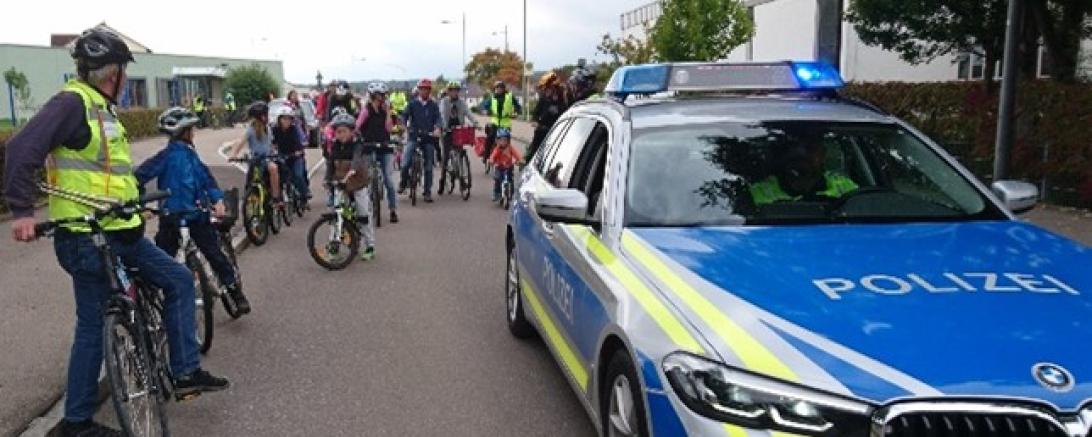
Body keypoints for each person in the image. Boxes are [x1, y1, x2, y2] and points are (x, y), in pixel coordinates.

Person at [4, 28, 229, 437]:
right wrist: (21, 211)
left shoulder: (102, 109)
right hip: (86, 237)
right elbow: (22, 149)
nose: (125, 79)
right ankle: (75, 422)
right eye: (124, 71)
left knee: (179, 280)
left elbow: (109, 175)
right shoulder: (72, 103)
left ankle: (184, 372)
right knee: (94, 323)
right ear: (115, 73)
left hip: (122, 232)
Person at [136, 107, 253, 314]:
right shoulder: (180, 157)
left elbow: (139, 176)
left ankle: (151, 303)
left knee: (160, 260)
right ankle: (236, 292)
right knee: (215, 255)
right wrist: (217, 200)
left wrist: (138, 201)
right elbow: (207, 180)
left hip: (172, 217)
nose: (194, 134)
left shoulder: (173, 156)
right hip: (194, 215)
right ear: (185, 133)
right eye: (191, 130)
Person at [749, 139, 858, 205]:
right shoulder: (758, 192)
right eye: (794, 148)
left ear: (822, 154)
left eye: (810, 148)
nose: (802, 154)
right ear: (783, 155)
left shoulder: (846, 188)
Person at [328, 113, 377, 260]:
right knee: (335, 214)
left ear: (351, 131)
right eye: (338, 132)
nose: (341, 135)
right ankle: (334, 245)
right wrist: (327, 180)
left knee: (363, 214)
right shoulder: (335, 146)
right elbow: (330, 164)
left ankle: (370, 245)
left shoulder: (357, 145)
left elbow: (356, 160)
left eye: (344, 131)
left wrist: (352, 170)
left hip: (357, 183)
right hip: (341, 183)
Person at [356, 81, 399, 223]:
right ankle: (368, 205)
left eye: (382, 96)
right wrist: (356, 137)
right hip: (369, 146)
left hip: (385, 146)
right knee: (368, 178)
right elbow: (357, 126)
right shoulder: (366, 110)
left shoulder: (386, 110)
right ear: (372, 96)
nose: (380, 99)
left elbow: (389, 129)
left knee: (388, 180)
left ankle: (393, 209)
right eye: (377, 96)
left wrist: (388, 113)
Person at [228, 102, 282, 206]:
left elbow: (271, 144)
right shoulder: (251, 130)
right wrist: (233, 154)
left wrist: (274, 152)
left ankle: (276, 197)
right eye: (266, 115)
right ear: (262, 117)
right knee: (251, 180)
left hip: (267, 159)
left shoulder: (268, 129)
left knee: (273, 168)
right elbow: (240, 141)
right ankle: (249, 198)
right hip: (256, 160)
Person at [399, 79, 442, 203]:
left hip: (428, 138)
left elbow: (438, 118)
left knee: (428, 166)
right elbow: (404, 116)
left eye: (427, 89)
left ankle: (427, 192)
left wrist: (437, 128)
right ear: (419, 90)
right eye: (422, 89)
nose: (424, 91)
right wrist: (403, 125)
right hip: (414, 136)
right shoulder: (412, 104)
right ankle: (403, 183)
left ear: (429, 91)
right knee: (405, 162)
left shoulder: (433, 105)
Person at [439, 82, 477, 191]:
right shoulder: (444, 102)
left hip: (458, 131)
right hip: (446, 130)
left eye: (456, 90)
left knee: (460, 153)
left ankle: (462, 180)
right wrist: (443, 127)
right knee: (446, 156)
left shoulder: (461, 102)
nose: (454, 92)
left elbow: (468, 113)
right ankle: (442, 180)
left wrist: (475, 122)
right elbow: (442, 114)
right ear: (448, 91)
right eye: (452, 90)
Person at [271, 105, 311, 201]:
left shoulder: (295, 129)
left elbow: (301, 140)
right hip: (281, 157)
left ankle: (304, 193)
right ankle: (278, 197)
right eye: (284, 119)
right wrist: (273, 150)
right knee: (279, 176)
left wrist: (299, 150)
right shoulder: (274, 130)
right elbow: (271, 142)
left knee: (298, 175)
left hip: (295, 157)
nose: (286, 121)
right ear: (279, 119)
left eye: (288, 119)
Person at [528, 72, 570, 160]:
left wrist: (558, 108)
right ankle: (529, 159)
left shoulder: (563, 100)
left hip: (556, 132)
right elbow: (536, 113)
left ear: (554, 88)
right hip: (542, 130)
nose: (545, 91)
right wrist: (535, 121)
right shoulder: (543, 99)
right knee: (534, 150)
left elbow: (566, 113)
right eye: (545, 89)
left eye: (548, 89)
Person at [479, 81, 523, 163]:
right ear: (495, 89)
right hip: (495, 123)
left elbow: (518, 106)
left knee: (507, 143)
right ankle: (486, 156)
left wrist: (516, 112)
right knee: (490, 138)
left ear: (503, 89)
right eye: (497, 88)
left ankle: (509, 161)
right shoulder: (492, 97)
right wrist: (484, 110)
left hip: (505, 124)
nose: (499, 89)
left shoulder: (509, 96)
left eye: (501, 88)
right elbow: (483, 106)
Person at [489, 128, 523, 203]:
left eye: (505, 140)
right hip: (499, 167)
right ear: (497, 141)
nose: (503, 142)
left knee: (510, 180)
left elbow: (516, 154)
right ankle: (496, 193)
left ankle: (512, 194)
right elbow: (493, 155)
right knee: (497, 179)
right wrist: (491, 160)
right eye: (501, 140)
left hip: (509, 166)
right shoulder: (497, 149)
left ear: (508, 140)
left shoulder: (510, 148)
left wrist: (520, 160)